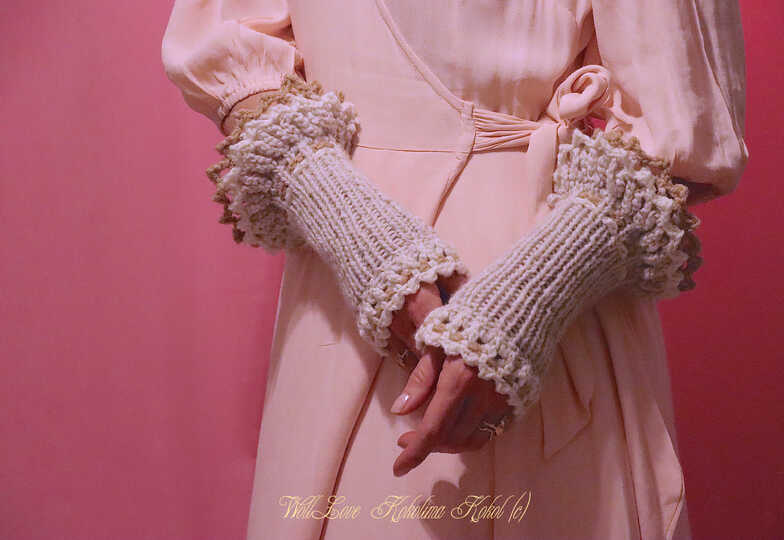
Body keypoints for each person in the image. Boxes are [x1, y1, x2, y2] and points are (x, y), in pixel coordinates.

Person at [161, 1, 749, 538]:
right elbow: (230, 50)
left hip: (550, 291)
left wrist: (533, 294)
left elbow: (683, 125)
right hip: (343, 296)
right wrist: (345, 218)